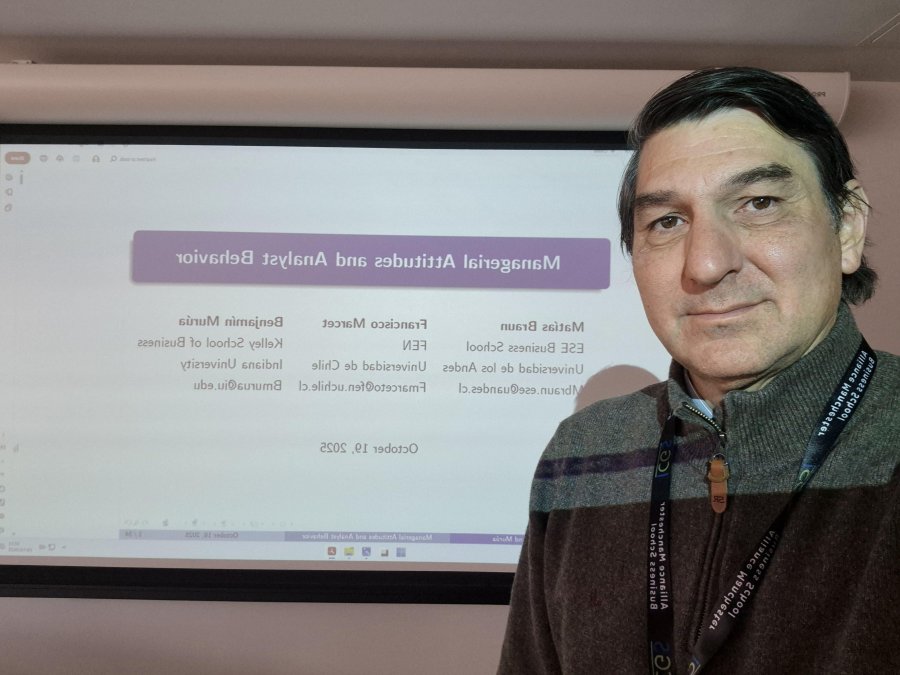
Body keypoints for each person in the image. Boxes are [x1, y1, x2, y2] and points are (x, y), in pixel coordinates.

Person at [498, 67, 899, 674]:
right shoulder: (582, 451)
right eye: (668, 221)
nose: (707, 264)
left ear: (847, 227)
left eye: (759, 203)